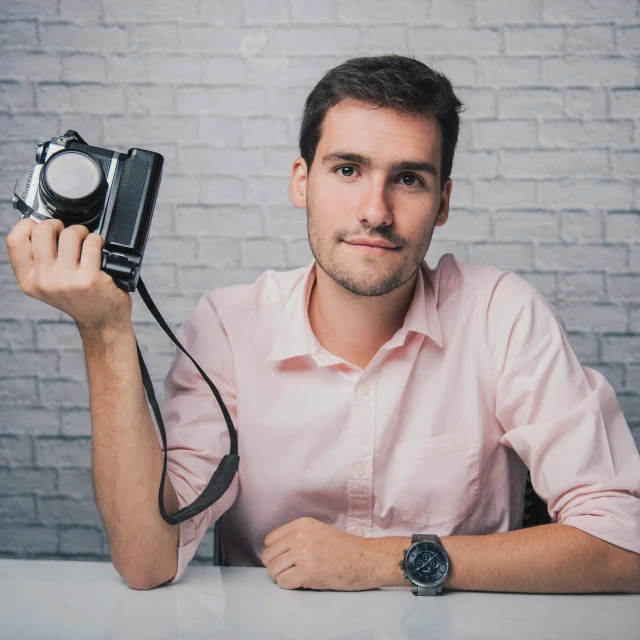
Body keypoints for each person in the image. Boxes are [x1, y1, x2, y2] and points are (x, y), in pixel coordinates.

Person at [6, 55, 640, 594]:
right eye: (347, 169)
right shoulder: (228, 327)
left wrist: (384, 560)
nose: (375, 210)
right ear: (301, 182)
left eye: (410, 179)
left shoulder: (502, 314)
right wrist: (106, 332)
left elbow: (624, 543)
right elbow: (146, 560)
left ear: (442, 202)